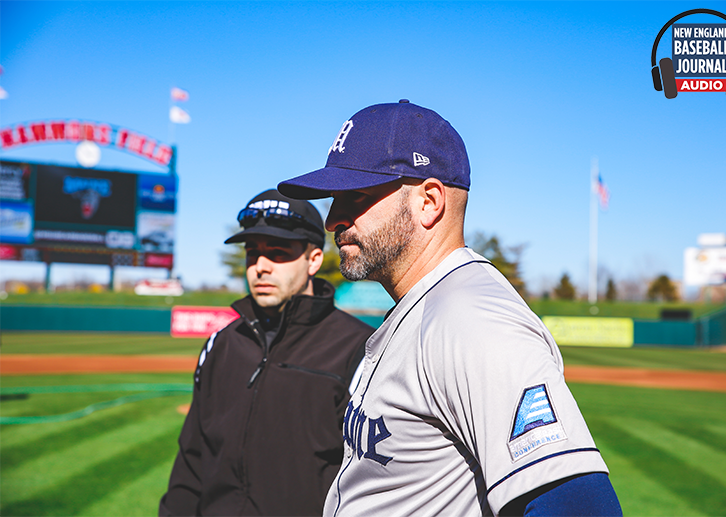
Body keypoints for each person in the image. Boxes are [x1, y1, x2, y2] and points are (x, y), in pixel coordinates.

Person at [278, 101, 622, 516]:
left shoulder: (471, 317)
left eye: (355, 196)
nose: (333, 219)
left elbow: (580, 506)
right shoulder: (429, 306)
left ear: (429, 201)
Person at [159, 189, 374, 516]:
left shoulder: (359, 348)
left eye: (278, 252)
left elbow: (371, 485)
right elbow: (193, 458)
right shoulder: (223, 343)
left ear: (313, 260)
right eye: (252, 252)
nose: (260, 266)